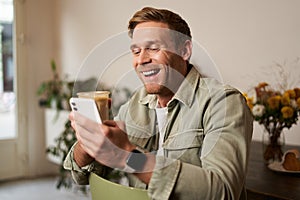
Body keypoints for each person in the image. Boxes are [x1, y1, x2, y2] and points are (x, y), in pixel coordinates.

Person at [64, 7, 253, 200]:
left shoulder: (224, 102)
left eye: (153, 48)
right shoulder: (134, 104)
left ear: (185, 50)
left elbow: (225, 193)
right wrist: (89, 141)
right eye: (136, 51)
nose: (142, 60)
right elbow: (80, 175)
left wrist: (128, 157)